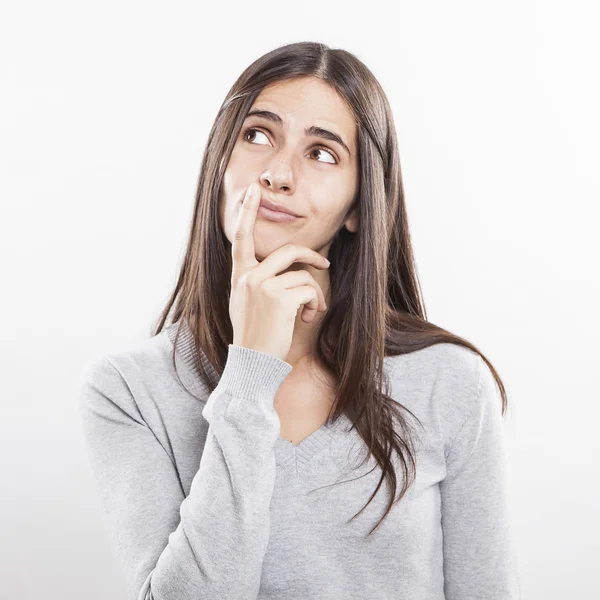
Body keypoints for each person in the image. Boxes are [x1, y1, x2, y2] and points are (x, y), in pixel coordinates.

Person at [78, 41, 521, 600]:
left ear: (361, 204)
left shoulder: (449, 382)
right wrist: (250, 372)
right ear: (219, 162)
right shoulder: (128, 392)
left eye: (323, 153)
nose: (278, 174)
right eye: (257, 135)